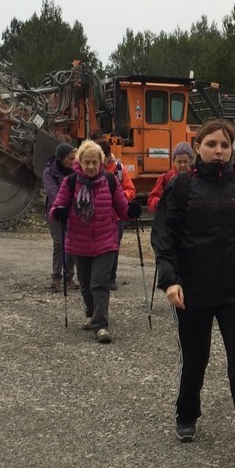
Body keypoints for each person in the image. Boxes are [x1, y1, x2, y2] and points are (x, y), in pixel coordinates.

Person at [151, 120, 235, 468]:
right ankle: (187, 413)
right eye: (211, 144)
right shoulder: (182, 186)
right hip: (192, 292)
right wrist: (170, 280)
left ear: (232, 149)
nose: (219, 150)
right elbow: (165, 237)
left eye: (225, 144)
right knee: (195, 359)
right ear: (198, 146)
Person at [49, 139, 138, 344]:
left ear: (101, 162)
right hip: (79, 242)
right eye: (86, 162)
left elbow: (122, 208)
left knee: (99, 283)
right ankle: (90, 313)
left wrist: (131, 212)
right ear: (79, 162)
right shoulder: (71, 182)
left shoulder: (110, 180)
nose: (90, 166)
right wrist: (59, 213)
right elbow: (57, 206)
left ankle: (101, 325)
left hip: (106, 240)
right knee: (85, 284)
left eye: (94, 162)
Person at [95, 137, 136, 291]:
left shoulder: (119, 170)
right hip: (98, 216)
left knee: (113, 247)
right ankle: (99, 276)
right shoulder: (93, 169)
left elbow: (131, 190)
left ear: (106, 156)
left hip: (117, 217)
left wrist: (119, 198)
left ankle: (111, 278)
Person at [42, 142, 79, 291]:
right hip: (55, 212)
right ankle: (56, 277)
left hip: (74, 212)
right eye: (71, 158)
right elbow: (53, 193)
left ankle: (69, 277)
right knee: (60, 242)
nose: (74, 161)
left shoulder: (77, 171)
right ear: (61, 158)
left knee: (71, 244)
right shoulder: (49, 172)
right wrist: (62, 206)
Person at [146, 141, 193, 214]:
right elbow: (151, 200)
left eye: (185, 161)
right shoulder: (166, 177)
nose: (182, 165)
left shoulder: (196, 177)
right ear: (174, 162)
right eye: (179, 162)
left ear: (190, 161)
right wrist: (159, 203)